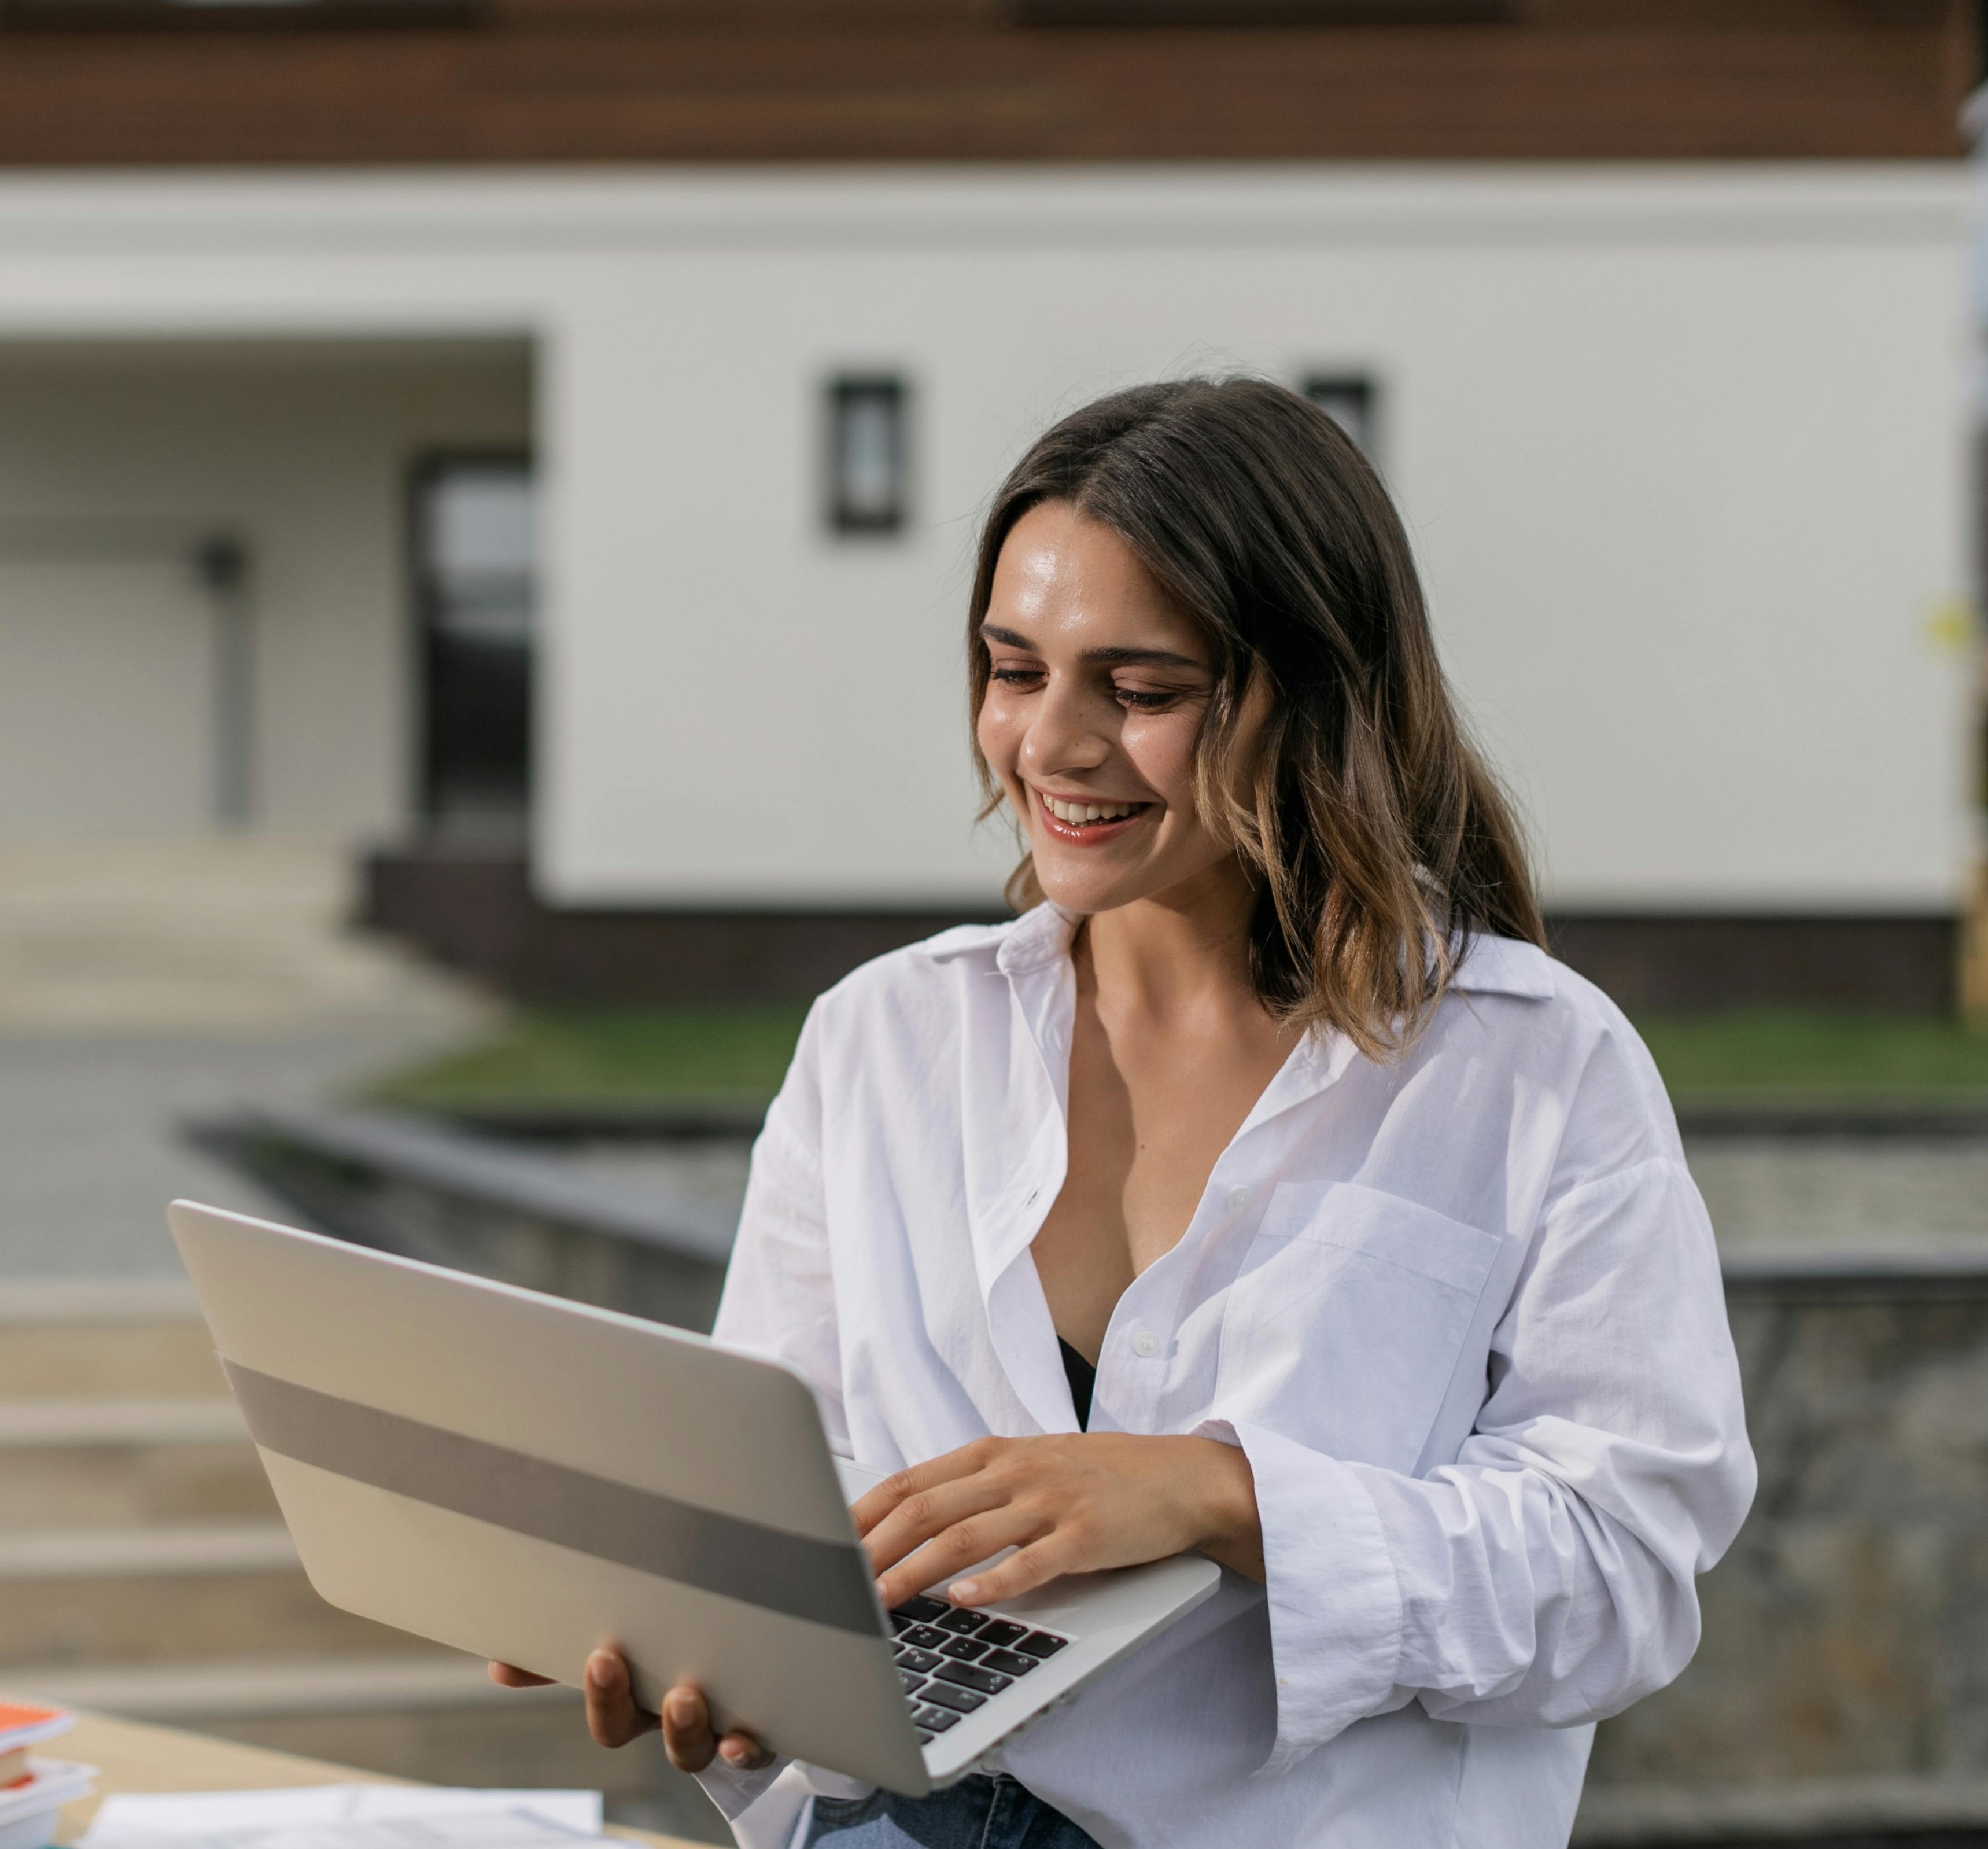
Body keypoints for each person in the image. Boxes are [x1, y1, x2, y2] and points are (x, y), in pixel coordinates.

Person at [492, 377, 1755, 1848]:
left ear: (1313, 693)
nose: (1049, 745)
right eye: (1012, 669)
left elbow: (1619, 1575)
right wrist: (705, 1643)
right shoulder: (882, 1041)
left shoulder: (1533, 1070)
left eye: (1139, 691)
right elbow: (797, 1490)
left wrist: (1224, 1499)